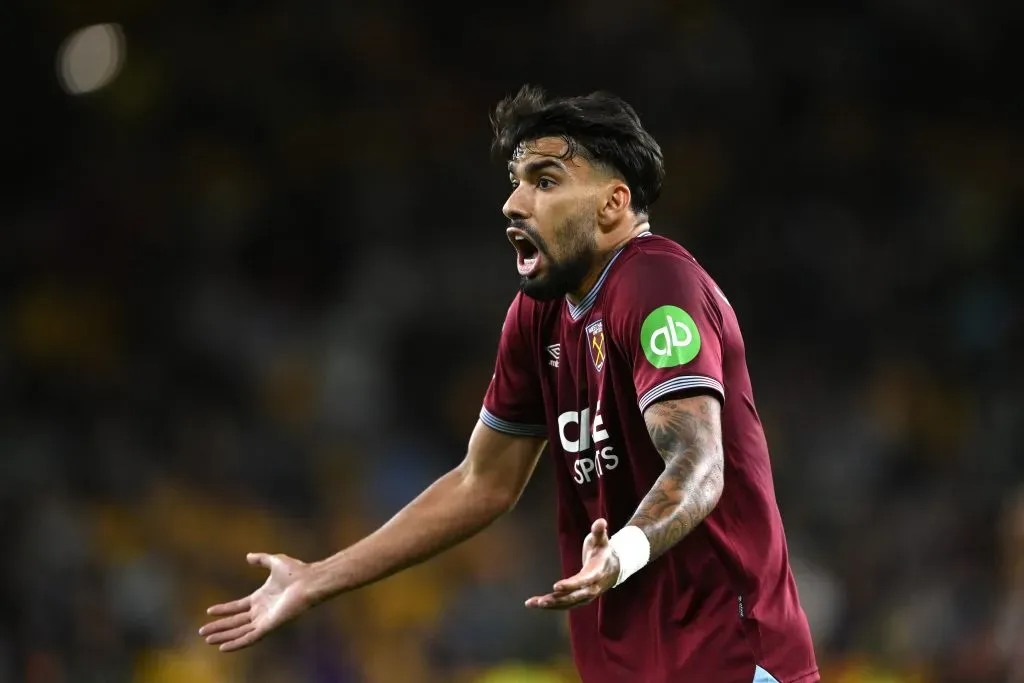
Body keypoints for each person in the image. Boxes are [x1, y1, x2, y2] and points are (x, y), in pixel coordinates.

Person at [198, 85, 820, 683]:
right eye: (516, 183)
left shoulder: (657, 285)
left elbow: (698, 462)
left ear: (612, 203)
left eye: (544, 182)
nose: (514, 204)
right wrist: (317, 578)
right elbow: (482, 481)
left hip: (731, 662)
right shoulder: (538, 317)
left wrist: (624, 550)